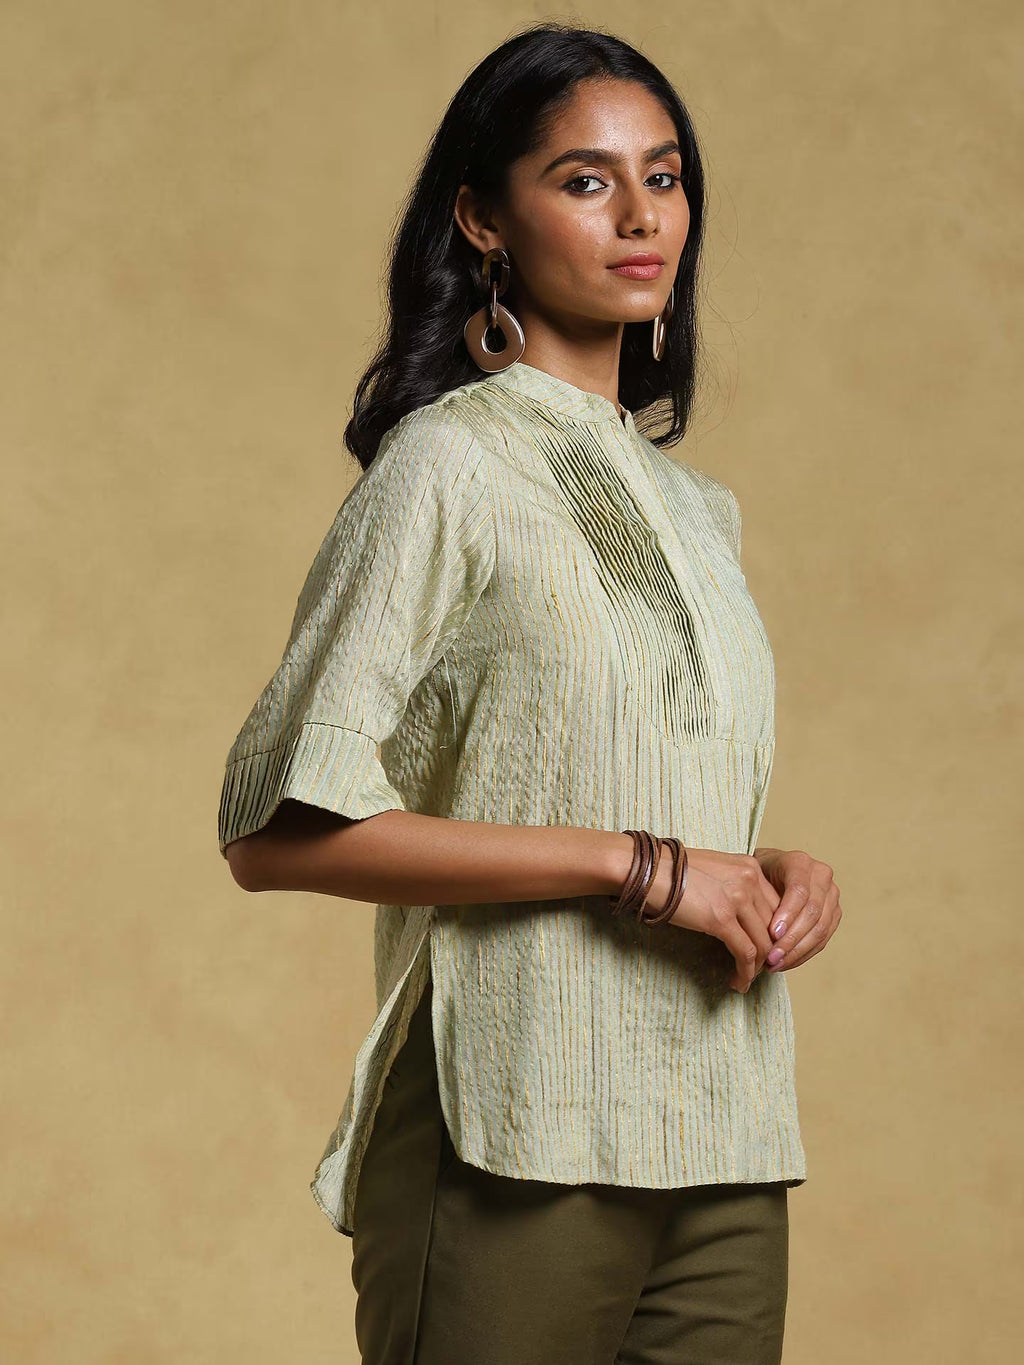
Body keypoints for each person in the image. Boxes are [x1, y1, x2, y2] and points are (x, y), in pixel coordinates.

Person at [216, 21, 842, 1365]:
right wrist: (640, 867)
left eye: (664, 177)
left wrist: (761, 871)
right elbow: (274, 829)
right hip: (515, 1118)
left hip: (725, 1127)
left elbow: (611, 769)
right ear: (482, 219)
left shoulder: (701, 511)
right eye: (584, 179)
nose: (640, 215)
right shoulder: (445, 468)